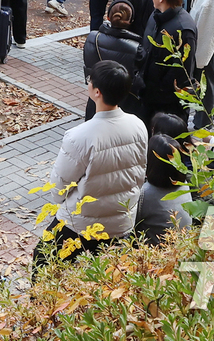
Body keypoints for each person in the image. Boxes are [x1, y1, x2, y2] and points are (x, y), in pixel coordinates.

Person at [32, 60, 147, 269]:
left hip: (82, 223)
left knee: (43, 260)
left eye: (90, 81)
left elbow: (58, 190)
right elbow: (138, 176)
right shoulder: (138, 125)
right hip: (122, 222)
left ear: (96, 92)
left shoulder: (79, 136)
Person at [140, 0, 198, 125]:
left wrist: (158, 92)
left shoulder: (183, 29)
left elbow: (182, 71)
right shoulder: (156, 15)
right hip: (148, 97)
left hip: (168, 107)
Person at [83, 0, 146, 121]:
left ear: (108, 17)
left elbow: (88, 66)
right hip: (124, 102)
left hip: (96, 98)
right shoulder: (137, 48)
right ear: (131, 21)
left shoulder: (93, 38)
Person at [134, 134, 191, 246]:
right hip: (184, 248)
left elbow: (129, 224)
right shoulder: (184, 185)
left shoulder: (145, 193)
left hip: (157, 253)